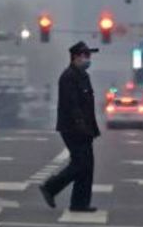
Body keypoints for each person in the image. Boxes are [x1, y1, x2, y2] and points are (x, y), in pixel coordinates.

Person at [39, 41, 101, 212]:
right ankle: (51, 187)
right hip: (73, 128)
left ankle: (80, 203)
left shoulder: (83, 76)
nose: (88, 59)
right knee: (81, 163)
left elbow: (88, 106)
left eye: (89, 56)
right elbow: (72, 105)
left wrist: (92, 128)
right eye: (85, 55)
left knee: (87, 165)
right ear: (75, 57)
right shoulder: (69, 77)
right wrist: (80, 125)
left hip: (85, 128)